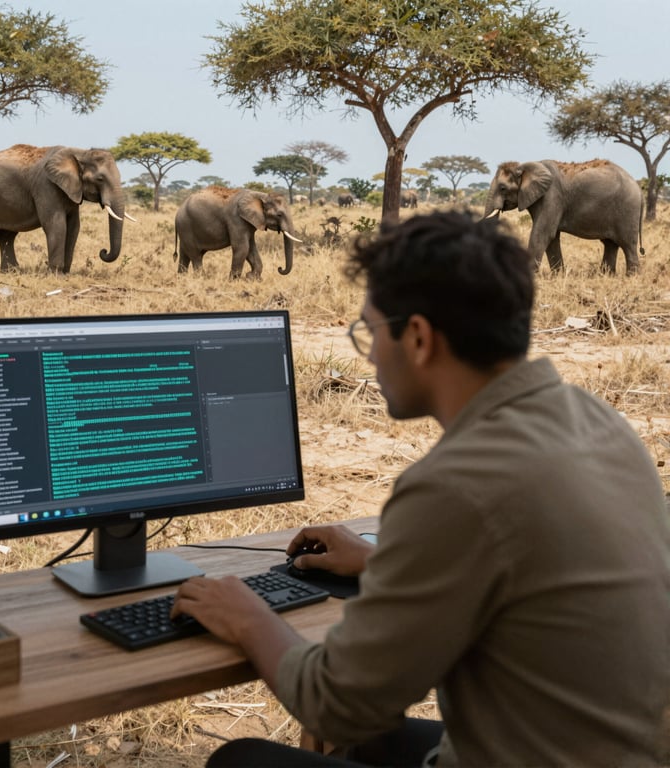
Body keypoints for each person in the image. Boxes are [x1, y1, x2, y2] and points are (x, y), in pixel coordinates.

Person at [172, 210, 670, 767]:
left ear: (417, 338)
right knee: (371, 745)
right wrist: (382, 562)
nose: (370, 353)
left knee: (241, 759)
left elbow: (335, 706)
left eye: (370, 332)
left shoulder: (457, 484)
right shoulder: (597, 421)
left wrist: (246, 615)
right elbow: (528, 569)